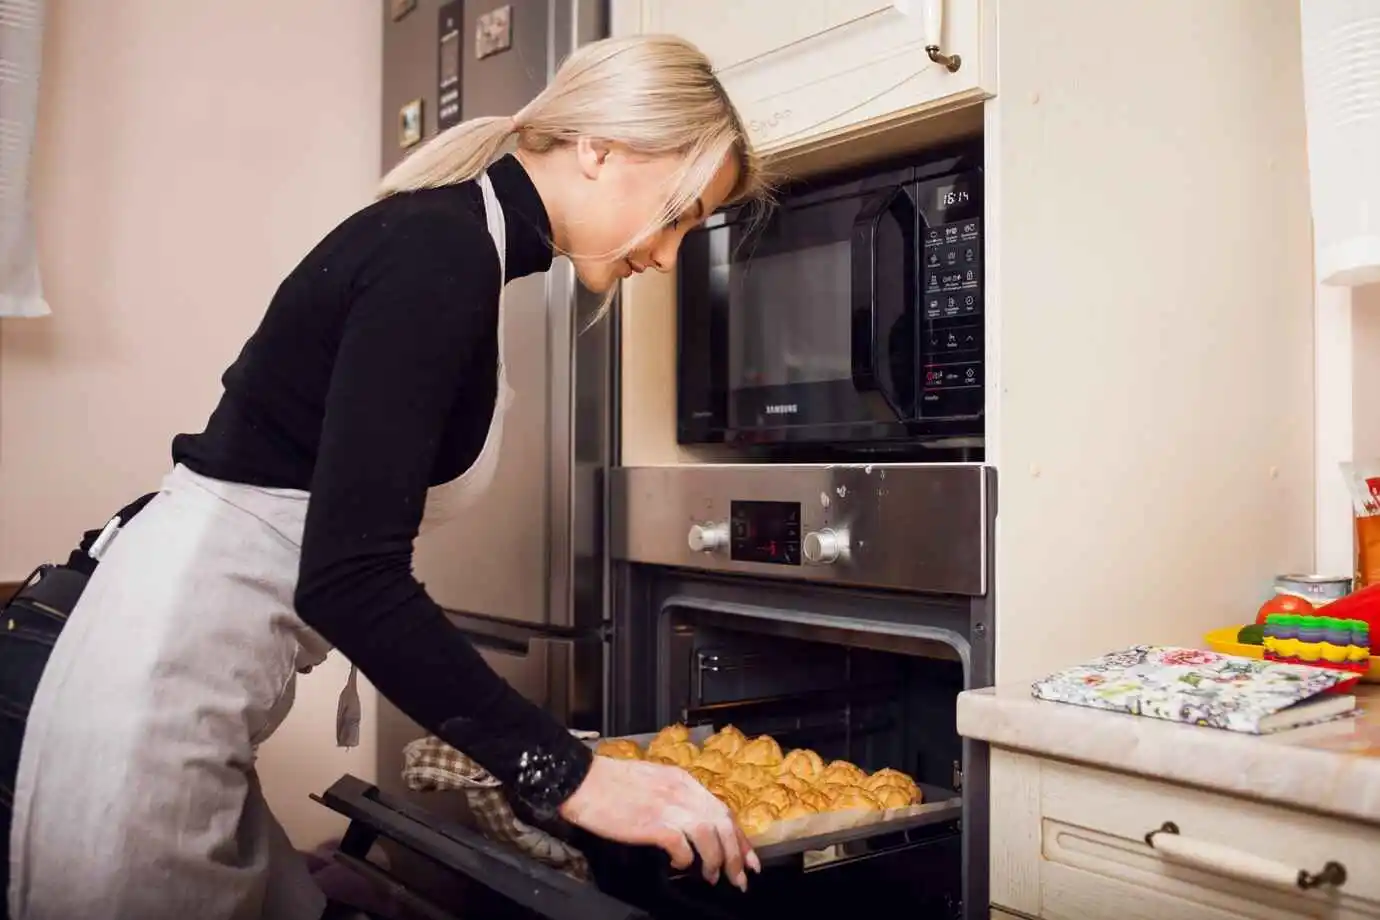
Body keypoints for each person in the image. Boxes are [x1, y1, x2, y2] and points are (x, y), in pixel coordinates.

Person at [2, 32, 768, 920]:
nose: (670, 255)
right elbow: (351, 580)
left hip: (176, 670)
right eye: (677, 213)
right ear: (598, 150)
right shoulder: (438, 252)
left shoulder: (454, 240)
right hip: (148, 691)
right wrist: (568, 776)